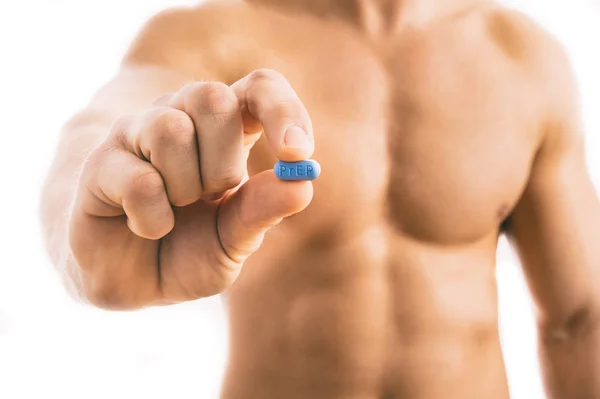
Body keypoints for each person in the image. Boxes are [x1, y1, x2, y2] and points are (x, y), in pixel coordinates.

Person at [40, 0, 600, 397]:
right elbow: (104, 124)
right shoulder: (206, 38)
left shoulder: (525, 60)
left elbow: (581, 318)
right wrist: (85, 230)